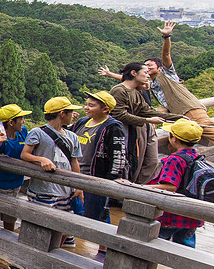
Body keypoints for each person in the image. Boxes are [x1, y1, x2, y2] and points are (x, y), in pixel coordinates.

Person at [99, 21, 214, 141]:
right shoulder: (150, 83)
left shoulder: (168, 75)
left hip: (190, 110)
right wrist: (110, 74)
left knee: (207, 131)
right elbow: (129, 80)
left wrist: (166, 37)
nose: (147, 68)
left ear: (159, 68)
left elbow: (166, 54)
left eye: (150, 65)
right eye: (145, 67)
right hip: (180, 114)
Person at [148, 119, 205, 269]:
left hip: (171, 216)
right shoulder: (197, 156)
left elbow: (170, 186)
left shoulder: (175, 159)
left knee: (150, 246)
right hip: (192, 215)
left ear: (173, 139)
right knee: (187, 250)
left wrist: (141, 187)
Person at [21, 97, 84, 248]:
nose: (73, 115)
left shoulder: (72, 136)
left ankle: (54, 253)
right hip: (43, 190)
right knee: (41, 228)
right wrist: (41, 159)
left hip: (65, 191)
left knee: (64, 229)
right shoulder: (38, 133)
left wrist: (79, 187)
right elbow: (25, 154)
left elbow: (74, 162)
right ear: (62, 113)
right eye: (70, 112)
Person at [109, 62, 185, 185]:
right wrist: (147, 121)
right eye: (145, 72)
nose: (148, 76)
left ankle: (140, 188)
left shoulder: (135, 92)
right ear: (134, 73)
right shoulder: (120, 90)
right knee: (129, 163)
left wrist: (179, 117)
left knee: (150, 161)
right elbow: (119, 115)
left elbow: (148, 111)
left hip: (135, 131)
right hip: (123, 133)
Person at [70, 91, 128, 234]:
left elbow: (119, 156)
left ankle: (104, 247)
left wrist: (110, 181)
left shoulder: (113, 127)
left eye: (92, 105)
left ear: (105, 109)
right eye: (86, 104)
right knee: (74, 212)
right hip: (76, 174)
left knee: (98, 214)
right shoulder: (82, 122)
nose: (86, 108)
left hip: (96, 177)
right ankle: (69, 238)